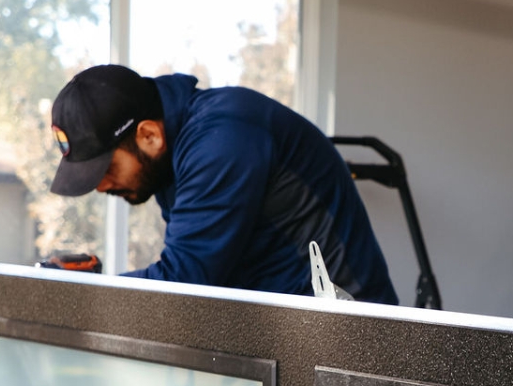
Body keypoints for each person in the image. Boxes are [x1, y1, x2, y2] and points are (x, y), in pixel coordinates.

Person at [49, 64, 399, 303]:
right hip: (293, 326)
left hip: (348, 331)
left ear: (149, 135)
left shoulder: (222, 139)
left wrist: (83, 292)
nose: (100, 186)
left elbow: (185, 283)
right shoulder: (175, 153)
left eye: (106, 169)